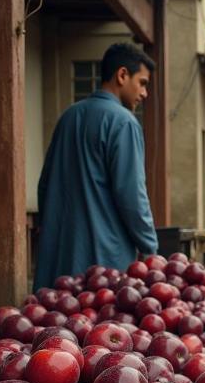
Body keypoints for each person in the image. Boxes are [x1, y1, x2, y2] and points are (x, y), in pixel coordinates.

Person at [34, 43, 159, 289]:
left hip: (60, 256)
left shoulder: (68, 117)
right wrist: (150, 248)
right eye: (142, 83)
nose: (145, 93)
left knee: (55, 324)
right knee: (100, 326)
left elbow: (45, 184)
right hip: (104, 261)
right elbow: (132, 195)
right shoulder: (124, 123)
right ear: (122, 75)